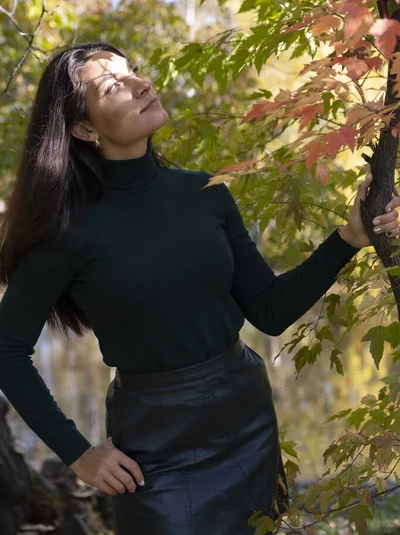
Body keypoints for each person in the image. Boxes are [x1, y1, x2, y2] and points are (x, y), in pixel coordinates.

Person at [0, 42, 398, 535]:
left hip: (246, 418)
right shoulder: (65, 231)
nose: (141, 85)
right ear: (83, 127)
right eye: (113, 86)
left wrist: (347, 239)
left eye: (135, 72)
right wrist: (77, 453)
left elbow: (268, 311)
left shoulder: (205, 192)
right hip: (154, 442)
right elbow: (8, 349)